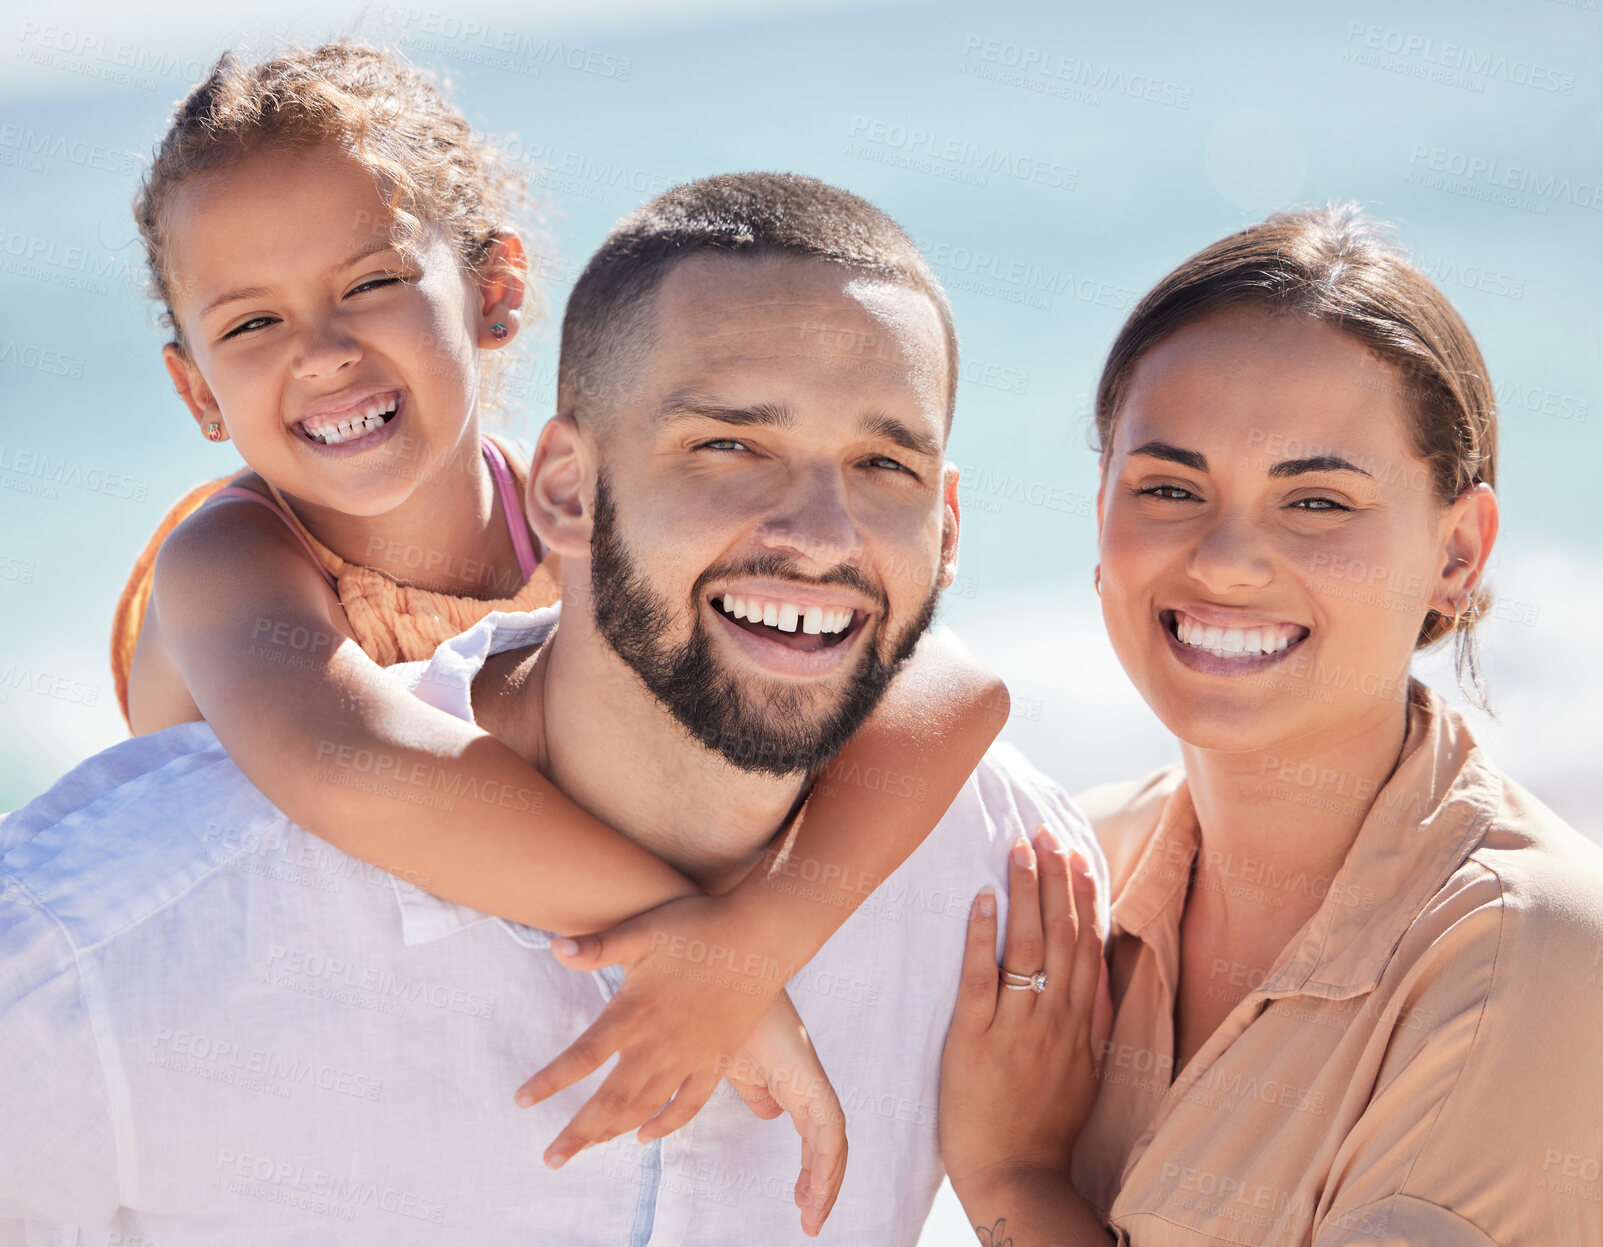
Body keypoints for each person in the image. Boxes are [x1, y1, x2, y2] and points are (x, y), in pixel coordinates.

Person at [0, 170, 1107, 1244]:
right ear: (565, 491)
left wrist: (751, 940)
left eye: (881, 463)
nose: (819, 531)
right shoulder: (107, 934)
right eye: (728, 444)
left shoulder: (1010, 885)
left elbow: (960, 684)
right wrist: (695, 944)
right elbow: (346, 760)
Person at [937, 205, 1603, 1245]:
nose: (1226, 559)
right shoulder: (1062, 873)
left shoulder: (1534, 953)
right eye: (1168, 486)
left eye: (1318, 502)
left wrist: (1011, 1175)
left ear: (1458, 553)